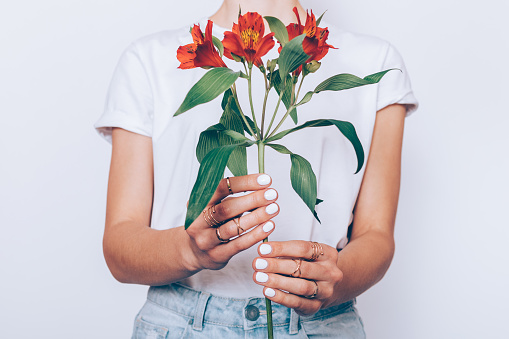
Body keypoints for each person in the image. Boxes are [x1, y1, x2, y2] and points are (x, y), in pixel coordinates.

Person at [94, 0, 418, 338]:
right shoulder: (146, 59)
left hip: (318, 323)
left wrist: (334, 280)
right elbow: (119, 247)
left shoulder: (375, 60)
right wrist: (188, 249)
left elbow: (377, 236)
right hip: (182, 323)